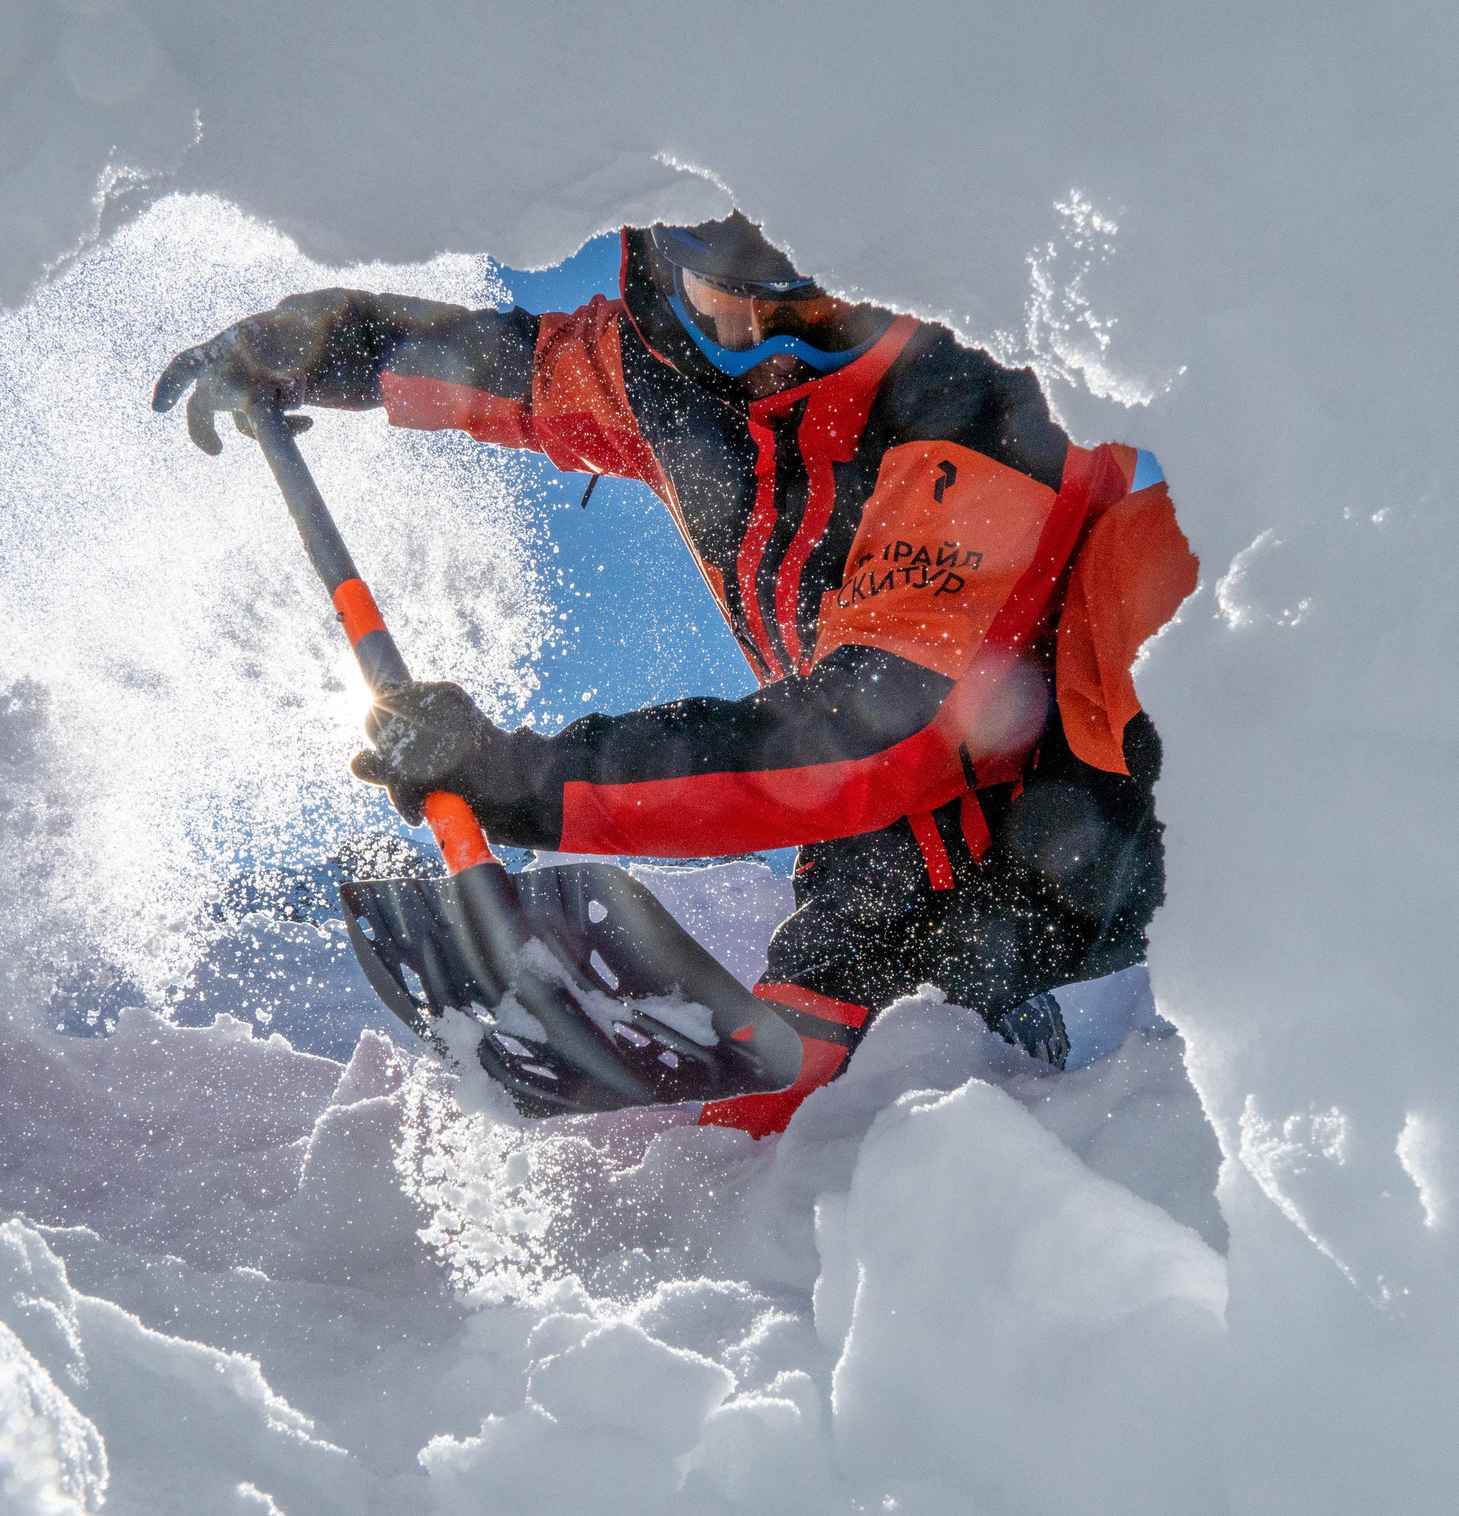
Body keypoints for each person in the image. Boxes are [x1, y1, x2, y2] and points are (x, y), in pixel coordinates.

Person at [154, 214, 1198, 1136]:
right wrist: (336, 344)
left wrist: (520, 777)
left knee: (1032, 1153)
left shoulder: (986, 410)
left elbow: (878, 734)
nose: (773, 357)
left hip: (1076, 857)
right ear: (660, 275)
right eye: (729, 313)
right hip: (877, 869)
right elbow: (517, 371)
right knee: (760, 1164)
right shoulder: (666, 376)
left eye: (822, 315)